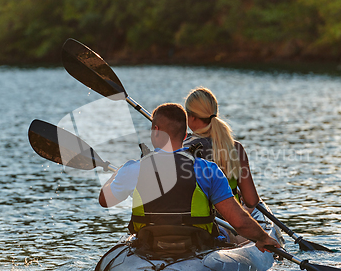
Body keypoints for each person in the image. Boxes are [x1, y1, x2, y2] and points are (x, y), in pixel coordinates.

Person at [99, 103, 279, 253]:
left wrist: (115, 175)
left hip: (149, 244)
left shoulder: (133, 169)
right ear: (185, 136)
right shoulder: (208, 169)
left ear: (155, 130)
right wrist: (263, 238)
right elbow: (238, 221)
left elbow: (105, 201)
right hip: (196, 245)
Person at [184, 87, 269, 217]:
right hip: (229, 219)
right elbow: (252, 201)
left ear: (192, 117)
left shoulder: (182, 148)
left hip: (197, 221)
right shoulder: (235, 148)